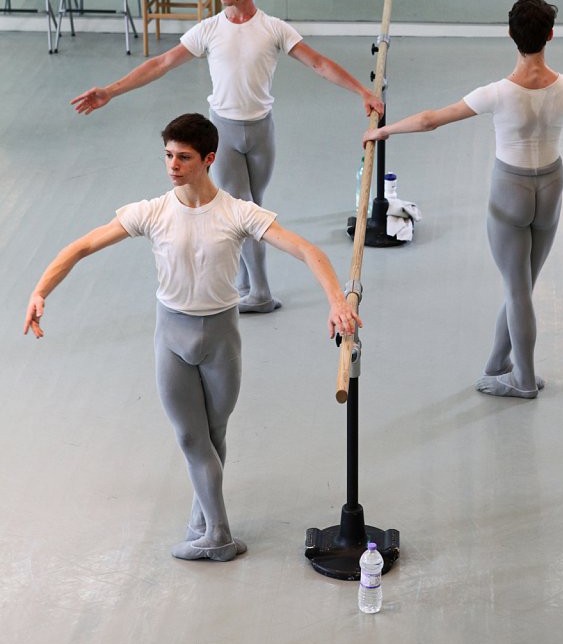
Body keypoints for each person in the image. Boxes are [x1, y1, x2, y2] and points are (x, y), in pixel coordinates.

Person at [24, 113, 361, 562]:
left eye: (183, 157)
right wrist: (41, 290)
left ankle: (201, 521)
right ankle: (219, 536)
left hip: (222, 339)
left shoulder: (238, 213)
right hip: (172, 339)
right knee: (191, 440)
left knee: (214, 435)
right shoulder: (152, 212)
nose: (172, 165)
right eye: (167, 155)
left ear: (208, 159)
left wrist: (337, 301)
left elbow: (306, 249)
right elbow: (83, 246)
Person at [71, 0, 384, 314]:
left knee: (254, 208)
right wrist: (111, 90)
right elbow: (161, 64)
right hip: (224, 132)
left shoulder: (273, 29)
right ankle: (260, 294)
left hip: (262, 132)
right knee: (244, 208)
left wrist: (362, 91)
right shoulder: (209, 30)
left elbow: (317, 63)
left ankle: (249, 284)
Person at [363, 0, 563, 400]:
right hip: (550, 187)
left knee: (517, 291)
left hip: (510, 191)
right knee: (522, 287)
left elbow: (430, 121)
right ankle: (499, 363)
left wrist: (383, 132)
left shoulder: (496, 93)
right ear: (550, 35)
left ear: (511, 36)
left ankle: (523, 380)